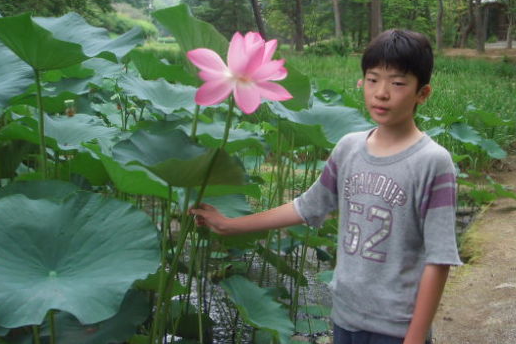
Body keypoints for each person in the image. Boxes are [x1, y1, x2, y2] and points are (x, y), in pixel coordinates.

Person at [190, 29, 462, 344]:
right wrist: (231, 225)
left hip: (397, 327)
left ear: (422, 93)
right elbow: (307, 206)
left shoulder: (433, 162)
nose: (381, 93)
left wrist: (415, 338)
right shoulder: (348, 147)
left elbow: (439, 258)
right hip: (345, 317)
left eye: (398, 83)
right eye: (372, 80)